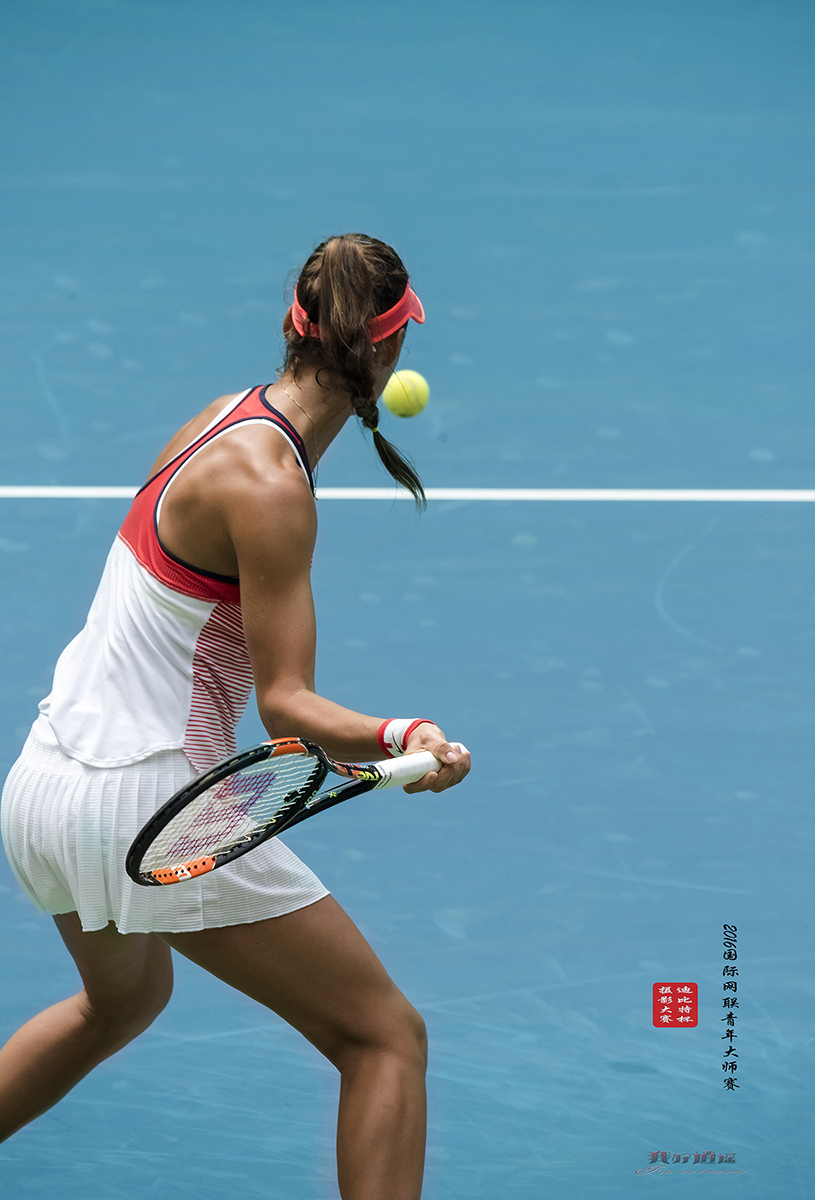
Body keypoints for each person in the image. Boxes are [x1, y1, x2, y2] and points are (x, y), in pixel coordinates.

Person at [0, 233, 470, 1200]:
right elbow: (286, 706)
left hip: (42, 789)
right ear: (388, 348)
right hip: (148, 805)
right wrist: (404, 736)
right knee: (383, 1037)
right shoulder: (273, 489)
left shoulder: (220, 417)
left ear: (295, 326)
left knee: (118, 1006)